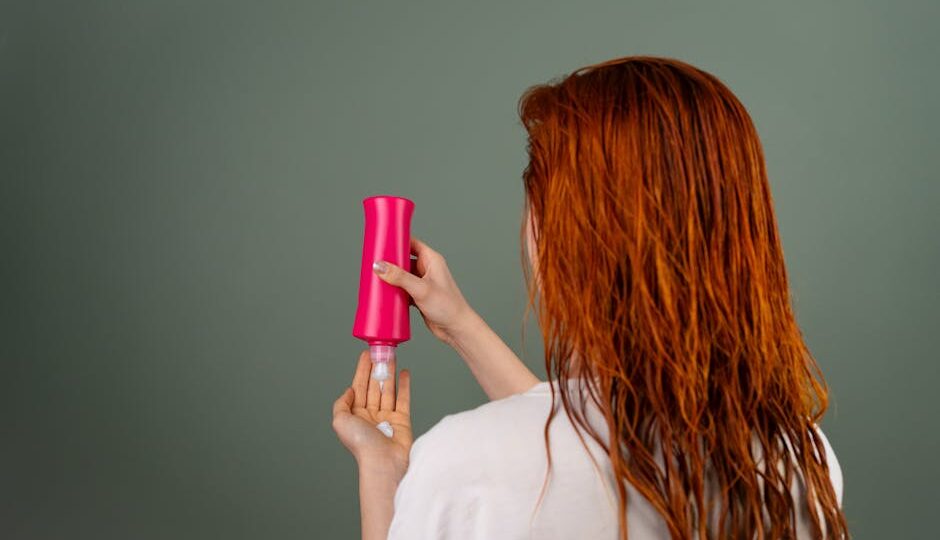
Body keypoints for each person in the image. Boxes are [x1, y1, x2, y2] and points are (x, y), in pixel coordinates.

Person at [332, 55, 849, 539]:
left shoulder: (461, 464)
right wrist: (460, 324)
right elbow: (592, 441)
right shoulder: (796, 460)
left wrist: (384, 476)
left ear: (566, 236)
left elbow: (556, 452)